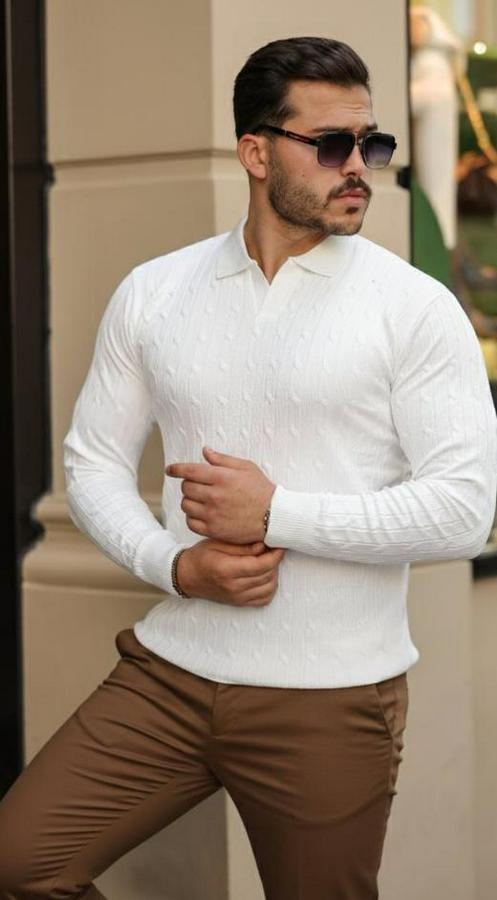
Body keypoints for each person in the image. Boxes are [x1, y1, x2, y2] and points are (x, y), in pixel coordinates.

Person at [0, 35, 496, 900]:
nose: (358, 167)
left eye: (370, 144)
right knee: (19, 862)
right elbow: (91, 463)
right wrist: (174, 566)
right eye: (331, 144)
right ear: (256, 153)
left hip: (329, 695)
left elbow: (464, 511)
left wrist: (275, 513)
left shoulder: (414, 309)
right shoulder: (156, 291)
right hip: (169, 672)